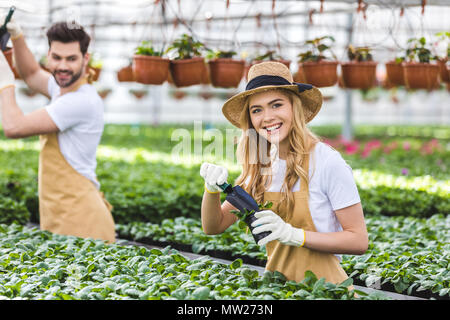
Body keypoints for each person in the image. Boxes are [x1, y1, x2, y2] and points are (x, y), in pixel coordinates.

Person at [200, 61, 368, 284]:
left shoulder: (327, 162)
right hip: (277, 289)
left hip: (325, 291)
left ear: (294, 107)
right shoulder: (260, 167)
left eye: (276, 105)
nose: (267, 117)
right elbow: (214, 226)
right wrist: (211, 190)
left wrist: (295, 235)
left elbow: (358, 241)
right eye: (256, 110)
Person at [0, 16, 115, 243]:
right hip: (64, 217)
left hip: (83, 223)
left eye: (71, 59)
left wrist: (5, 82)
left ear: (86, 59)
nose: (62, 66)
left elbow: (13, 127)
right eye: (56, 57)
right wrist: (17, 36)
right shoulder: (63, 88)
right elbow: (32, 74)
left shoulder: (80, 101)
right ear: (49, 57)